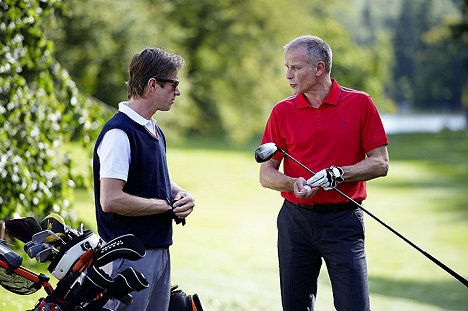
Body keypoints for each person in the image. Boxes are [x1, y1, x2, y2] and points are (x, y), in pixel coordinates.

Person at [259, 35, 389, 311]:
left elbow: (380, 163)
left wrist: (338, 174)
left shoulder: (360, 104)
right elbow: (266, 174)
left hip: (343, 221)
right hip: (295, 222)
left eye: (295, 67)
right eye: (287, 67)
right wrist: (293, 182)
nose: (288, 75)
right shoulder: (281, 112)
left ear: (319, 68)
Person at [93, 47, 195, 311]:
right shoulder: (119, 133)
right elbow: (111, 199)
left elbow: (157, 180)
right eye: (174, 84)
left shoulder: (153, 129)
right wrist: (165, 206)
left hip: (157, 250)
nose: (178, 91)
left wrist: (181, 194)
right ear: (153, 85)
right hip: (128, 257)